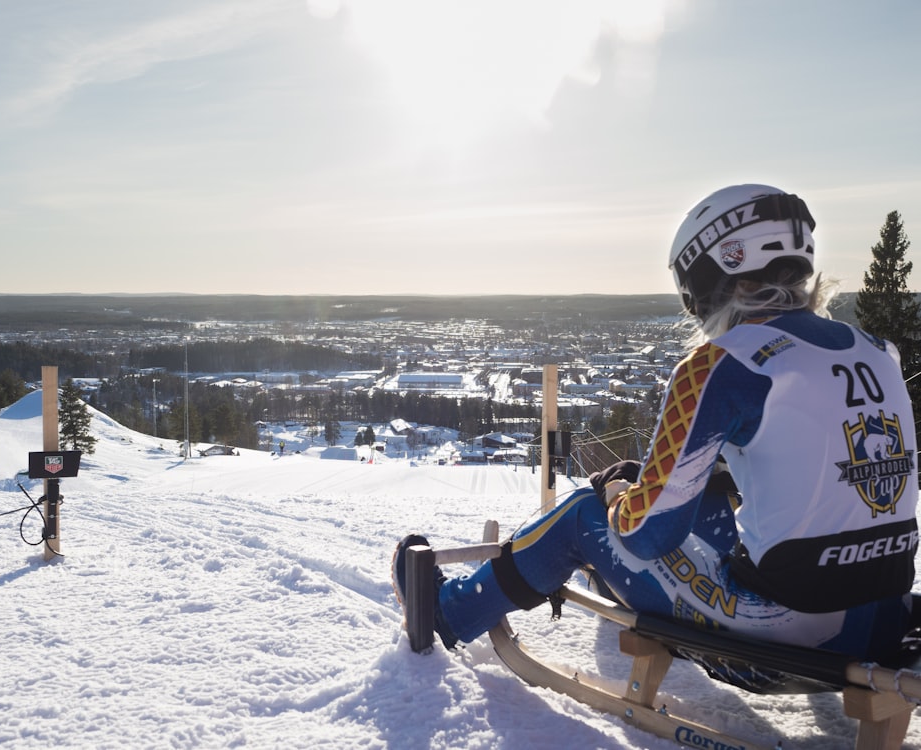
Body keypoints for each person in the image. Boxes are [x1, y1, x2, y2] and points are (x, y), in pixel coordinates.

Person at [393, 184, 919, 667]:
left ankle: (447, 612)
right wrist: (661, 480)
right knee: (707, 496)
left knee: (579, 515)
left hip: (793, 634)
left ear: (712, 270)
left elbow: (647, 534)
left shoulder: (722, 364)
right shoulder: (878, 352)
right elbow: (811, 467)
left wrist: (623, 495)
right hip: (881, 618)